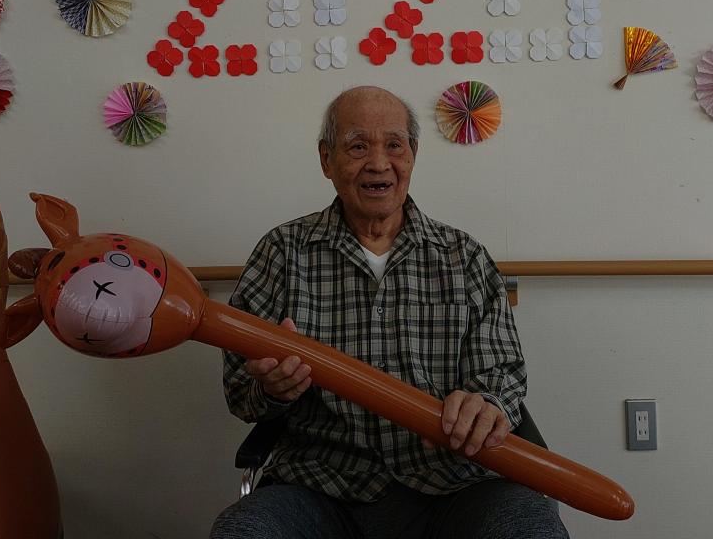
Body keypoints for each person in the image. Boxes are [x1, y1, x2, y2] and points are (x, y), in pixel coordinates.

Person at [211, 86, 569, 539]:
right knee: (242, 532)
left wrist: (486, 405)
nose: (379, 163)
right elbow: (240, 390)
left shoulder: (465, 257)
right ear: (326, 159)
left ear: (413, 155)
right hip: (319, 484)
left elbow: (500, 374)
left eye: (394, 145)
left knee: (530, 529)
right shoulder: (282, 253)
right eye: (358, 146)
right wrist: (272, 390)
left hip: (454, 485)